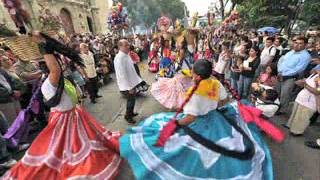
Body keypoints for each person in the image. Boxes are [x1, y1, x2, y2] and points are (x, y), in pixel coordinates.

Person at [120, 60, 273, 180]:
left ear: (196, 75)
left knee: (181, 148)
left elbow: (191, 117)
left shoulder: (195, 94)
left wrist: (176, 123)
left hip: (199, 123)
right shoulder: (215, 82)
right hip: (216, 118)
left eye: (192, 71)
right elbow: (225, 100)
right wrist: (212, 106)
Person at [2, 31, 122, 179]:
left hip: (73, 115)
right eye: (56, 64)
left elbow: (60, 75)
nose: (61, 67)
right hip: (64, 120)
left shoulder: (58, 81)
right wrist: (44, 47)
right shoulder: (49, 83)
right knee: (65, 149)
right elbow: (56, 69)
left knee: (77, 144)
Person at [277, 36, 311, 114]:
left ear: (305, 45)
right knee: (278, 91)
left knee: (285, 94)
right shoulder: (291, 52)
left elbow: (299, 69)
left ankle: (281, 110)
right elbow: (281, 60)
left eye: (300, 43)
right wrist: (279, 71)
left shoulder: (305, 56)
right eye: (296, 43)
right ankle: (275, 106)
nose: (297, 45)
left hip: (290, 78)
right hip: (280, 74)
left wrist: (284, 75)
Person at [114, 39, 143, 124]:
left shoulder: (126, 55)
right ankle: (128, 116)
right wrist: (129, 87)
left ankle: (131, 113)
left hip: (131, 82)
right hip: (126, 85)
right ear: (120, 47)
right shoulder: (119, 58)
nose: (128, 47)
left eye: (128, 45)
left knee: (133, 99)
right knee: (130, 100)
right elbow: (122, 74)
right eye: (125, 45)